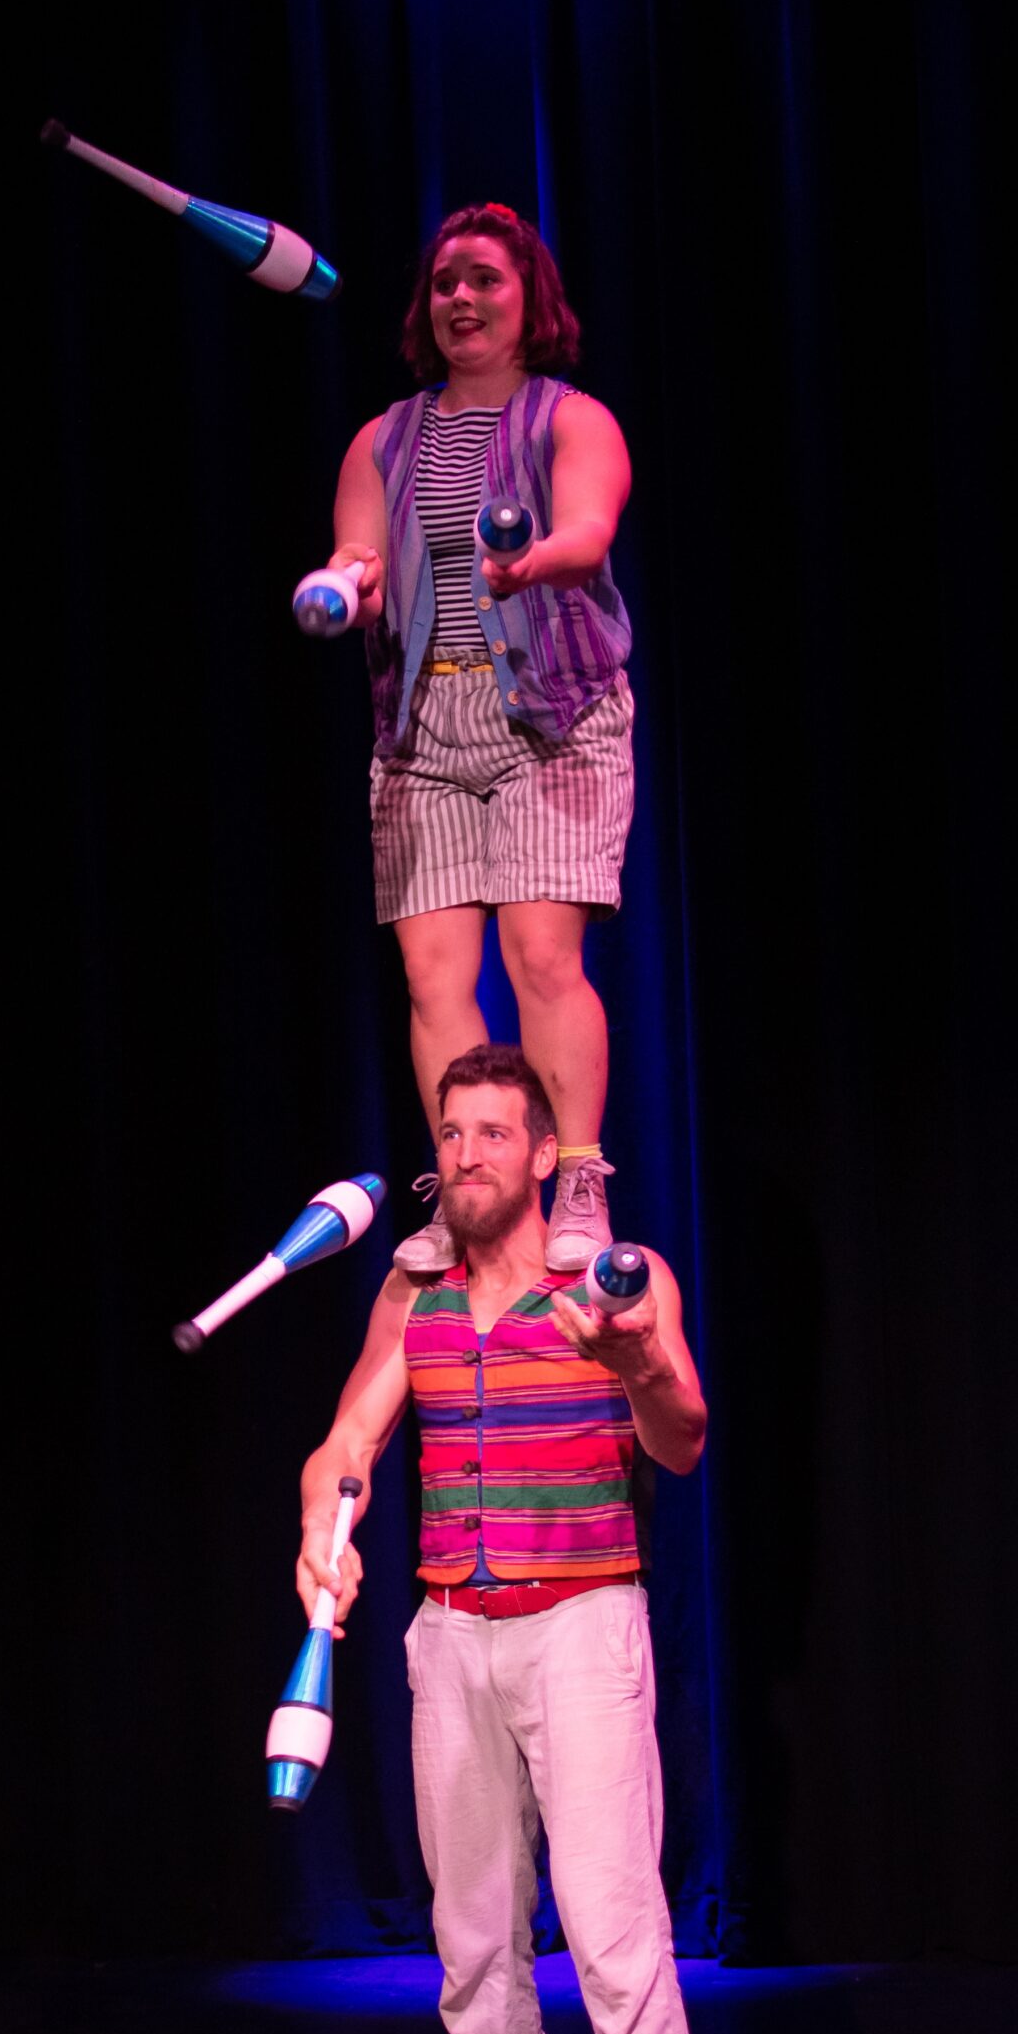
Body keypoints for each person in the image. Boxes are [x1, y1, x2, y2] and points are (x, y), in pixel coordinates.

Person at [295, 1042, 715, 2034]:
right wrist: (324, 1534)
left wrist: (633, 1355)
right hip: (449, 1632)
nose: (469, 1154)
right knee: (471, 1921)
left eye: (494, 1134)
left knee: (608, 1911)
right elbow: (345, 1446)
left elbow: (683, 1440)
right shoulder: (410, 1295)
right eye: (454, 1133)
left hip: (581, 1622)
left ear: (544, 1155)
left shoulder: (615, 1278)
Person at [324, 204, 636, 1279]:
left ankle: (579, 1178)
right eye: (445, 282)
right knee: (431, 974)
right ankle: (469, 1184)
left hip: (552, 717)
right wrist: (348, 586)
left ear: (527, 299)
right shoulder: (382, 440)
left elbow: (587, 533)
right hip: (425, 727)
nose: (462, 298)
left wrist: (531, 562)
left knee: (541, 956)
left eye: (485, 280)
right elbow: (358, 553)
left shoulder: (571, 420)